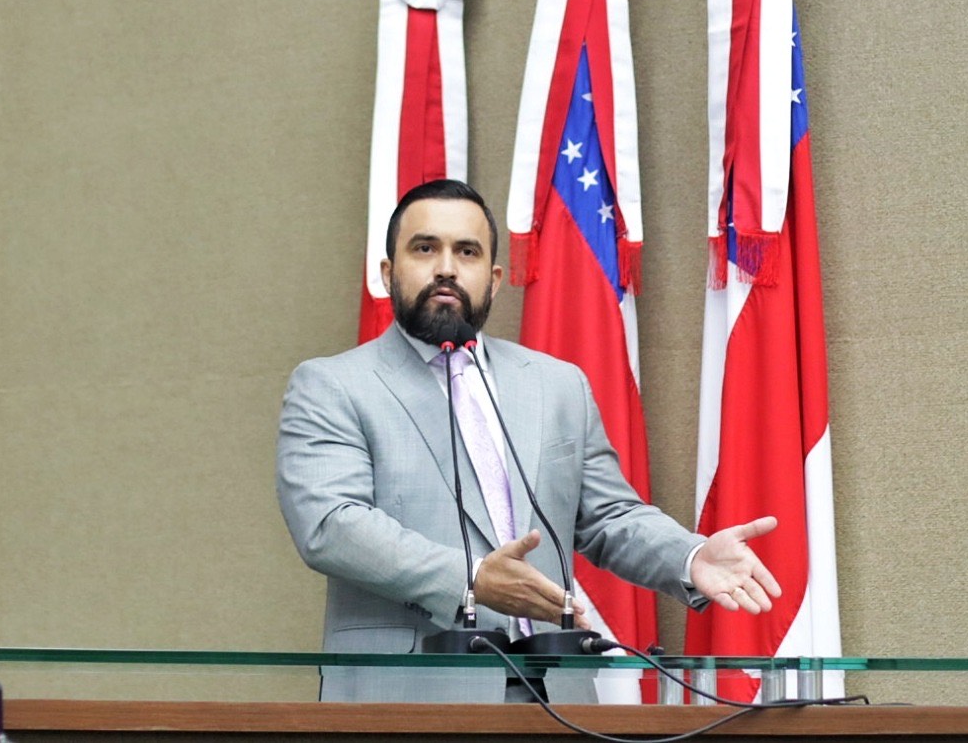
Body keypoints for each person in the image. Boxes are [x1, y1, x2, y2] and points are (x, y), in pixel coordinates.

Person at [276, 179, 781, 702]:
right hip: (408, 697)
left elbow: (610, 516)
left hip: (554, 699)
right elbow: (331, 525)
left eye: (466, 252)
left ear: (494, 280)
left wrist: (690, 556)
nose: (446, 267)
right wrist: (469, 580)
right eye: (424, 248)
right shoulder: (332, 386)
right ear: (388, 273)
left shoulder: (557, 385)